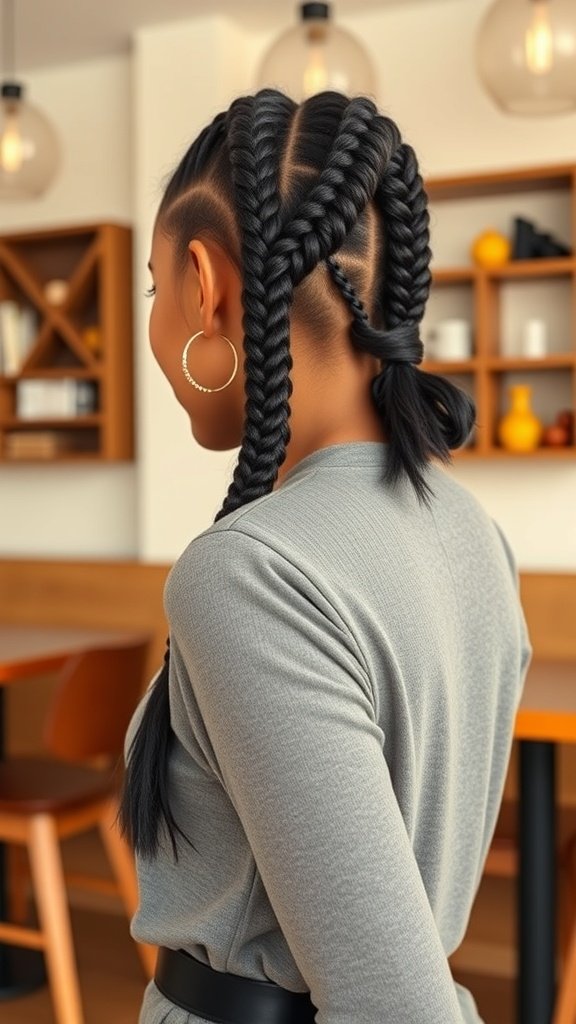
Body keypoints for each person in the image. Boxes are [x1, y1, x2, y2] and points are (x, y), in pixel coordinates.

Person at [121, 89, 531, 1024]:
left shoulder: (249, 574)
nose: (157, 319)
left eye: (155, 289)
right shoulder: (474, 535)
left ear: (205, 282)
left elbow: (393, 1004)